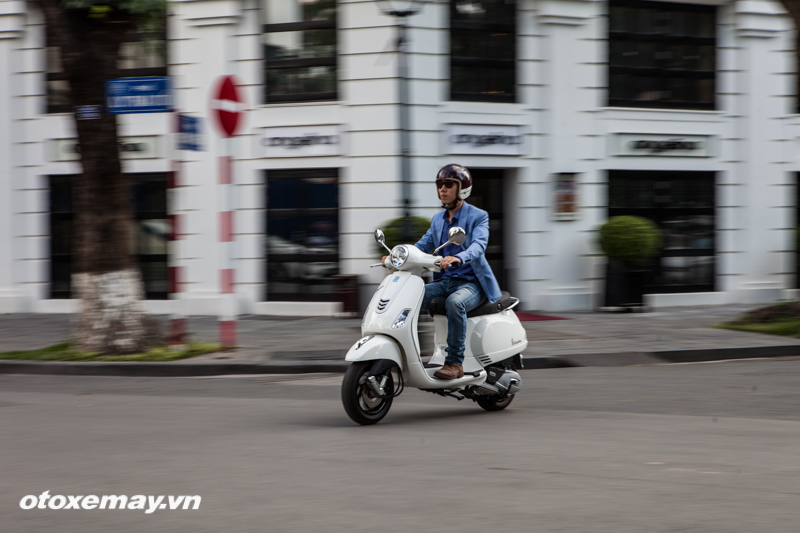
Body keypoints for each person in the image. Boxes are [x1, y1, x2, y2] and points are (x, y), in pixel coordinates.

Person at [411, 164, 503, 380]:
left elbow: (479, 245)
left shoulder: (478, 216)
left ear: (462, 189)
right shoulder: (437, 220)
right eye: (440, 184)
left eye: (449, 184)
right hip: (446, 282)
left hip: (472, 284)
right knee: (409, 297)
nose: (442, 189)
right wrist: (399, 256)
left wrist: (459, 257)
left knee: (455, 302)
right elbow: (422, 245)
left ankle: (454, 362)